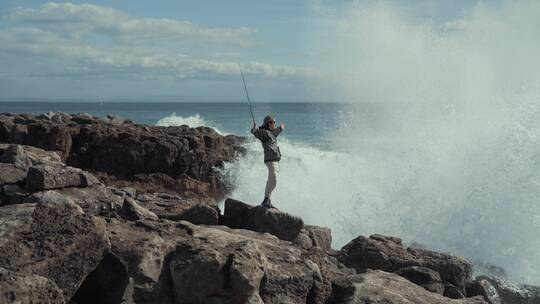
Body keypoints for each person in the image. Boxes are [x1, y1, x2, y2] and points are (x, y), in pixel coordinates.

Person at [251, 115, 285, 208]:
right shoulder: (265, 133)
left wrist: (281, 128)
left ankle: (267, 200)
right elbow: (256, 133)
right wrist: (254, 130)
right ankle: (266, 200)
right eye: (272, 122)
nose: (274, 123)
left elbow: (277, 131)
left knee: (272, 181)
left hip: (276, 161)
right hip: (270, 160)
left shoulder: (272, 133)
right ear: (267, 123)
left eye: (274, 122)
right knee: (273, 179)